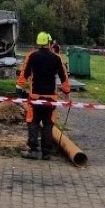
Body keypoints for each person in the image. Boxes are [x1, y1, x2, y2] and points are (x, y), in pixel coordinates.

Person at [17, 31, 70, 161]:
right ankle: (46, 152)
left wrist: (19, 87)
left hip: (35, 97)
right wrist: (67, 94)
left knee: (33, 122)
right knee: (48, 124)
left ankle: (33, 150)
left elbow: (24, 74)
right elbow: (64, 77)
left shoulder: (32, 56)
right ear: (48, 42)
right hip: (51, 98)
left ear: (38, 43)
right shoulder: (56, 58)